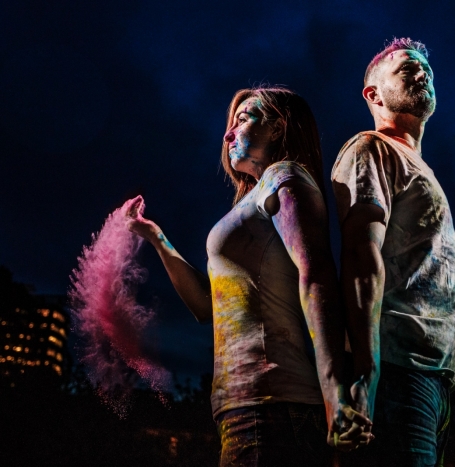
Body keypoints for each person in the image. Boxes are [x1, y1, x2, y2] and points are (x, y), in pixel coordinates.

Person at [126, 87, 371, 466]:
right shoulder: (254, 197)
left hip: (274, 405)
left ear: (277, 127)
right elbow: (207, 308)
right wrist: (156, 238)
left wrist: (335, 393)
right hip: (243, 408)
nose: (227, 133)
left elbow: (316, 274)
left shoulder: (283, 177)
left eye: (243, 118)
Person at [331, 38, 455, 466]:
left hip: (436, 381)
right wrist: (366, 372)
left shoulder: (423, 172)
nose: (423, 74)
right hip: (396, 374)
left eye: (427, 71)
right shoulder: (371, 148)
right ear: (374, 94)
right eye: (408, 69)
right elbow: (361, 259)